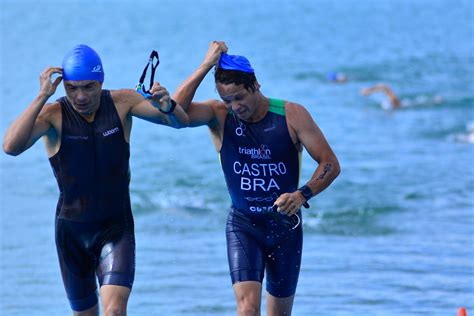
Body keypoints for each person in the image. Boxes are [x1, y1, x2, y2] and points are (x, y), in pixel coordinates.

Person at [3, 44, 188, 315]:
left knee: (114, 311)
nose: (80, 96)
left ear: (101, 81)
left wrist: (169, 105)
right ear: (63, 86)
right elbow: (11, 146)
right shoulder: (52, 116)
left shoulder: (123, 102)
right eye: (72, 88)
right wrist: (42, 96)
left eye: (89, 87)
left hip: (116, 228)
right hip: (72, 233)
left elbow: (179, 122)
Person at [173, 41, 340, 316]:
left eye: (239, 97)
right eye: (227, 99)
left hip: (285, 228)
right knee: (247, 310)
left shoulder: (291, 115)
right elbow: (176, 115)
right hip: (243, 226)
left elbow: (330, 164)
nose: (235, 106)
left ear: (256, 85)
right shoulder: (219, 115)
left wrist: (302, 194)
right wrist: (205, 65)